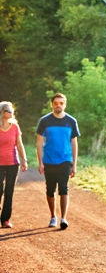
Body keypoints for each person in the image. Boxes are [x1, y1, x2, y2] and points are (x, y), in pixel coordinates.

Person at [36, 93, 80, 230]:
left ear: (65, 104)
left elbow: (74, 143)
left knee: (63, 188)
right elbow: (38, 143)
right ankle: (53, 216)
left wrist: (74, 164)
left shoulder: (71, 121)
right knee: (50, 189)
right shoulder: (44, 121)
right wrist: (40, 162)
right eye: (56, 103)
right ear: (52, 105)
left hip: (65, 159)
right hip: (49, 159)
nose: (58, 106)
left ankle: (63, 218)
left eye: (61, 103)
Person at [0, 102, 28, 228]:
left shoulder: (15, 127)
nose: (11, 111)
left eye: (11, 109)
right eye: (8, 110)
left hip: (13, 163)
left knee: (9, 191)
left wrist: (24, 159)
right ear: (1, 112)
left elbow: (19, 144)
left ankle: (5, 219)